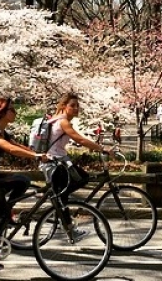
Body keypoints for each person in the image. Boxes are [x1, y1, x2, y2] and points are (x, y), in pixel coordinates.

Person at [0, 97, 48, 271]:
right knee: (3, 214)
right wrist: (35, 157)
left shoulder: (3, 132)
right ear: (2, 113)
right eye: (12, 110)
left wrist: (42, 154)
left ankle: (6, 214)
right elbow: (10, 148)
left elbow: (18, 145)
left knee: (22, 181)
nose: (15, 112)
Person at [46, 93, 113, 235]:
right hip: (55, 162)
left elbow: (78, 139)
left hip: (58, 160)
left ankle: (60, 212)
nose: (76, 108)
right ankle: (62, 214)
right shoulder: (63, 122)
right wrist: (102, 149)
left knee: (67, 189)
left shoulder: (57, 120)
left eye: (77, 106)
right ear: (64, 106)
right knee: (81, 179)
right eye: (72, 105)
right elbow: (80, 139)